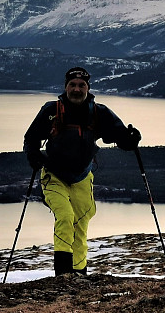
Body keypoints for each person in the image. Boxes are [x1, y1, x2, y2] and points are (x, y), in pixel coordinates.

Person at [23, 66, 141, 277]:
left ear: (88, 88)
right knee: (66, 217)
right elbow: (31, 138)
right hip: (54, 175)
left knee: (81, 221)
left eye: (81, 85)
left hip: (82, 177)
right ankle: (63, 275)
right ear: (65, 87)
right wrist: (33, 156)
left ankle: (79, 274)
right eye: (72, 85)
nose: (76, 89)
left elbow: (120, 136)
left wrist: (131, 139)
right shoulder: (51, 110)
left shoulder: (98, 112)